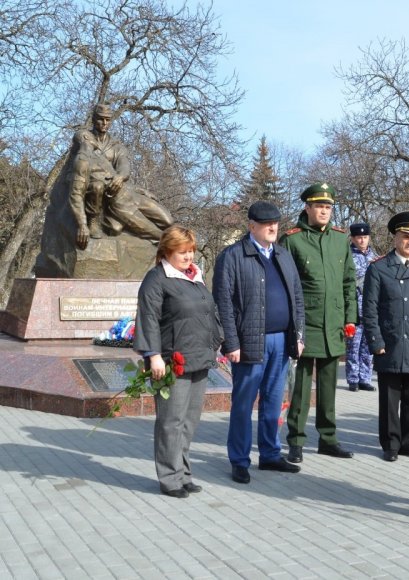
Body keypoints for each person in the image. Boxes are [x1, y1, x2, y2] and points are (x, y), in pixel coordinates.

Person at [213, 201, 306, 484]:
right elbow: (223, 304)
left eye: (275, 222)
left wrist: (299, 334)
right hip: (249, 342)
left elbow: (297, 298)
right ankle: (239, 460)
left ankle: (270, 454)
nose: (273, 227)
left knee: (274, 400)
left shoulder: (283, 255)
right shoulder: (233, 256)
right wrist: (231, 342)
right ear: (251, 225)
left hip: (281, 341)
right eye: (267, 224)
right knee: (243, 403)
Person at [133, 225, 224, 498]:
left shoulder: (195, 277)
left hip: (199, 359)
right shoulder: (156, 279)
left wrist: (216, 343)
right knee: (170, 422)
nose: (188, 257)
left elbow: (209, 313)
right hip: (173, 361)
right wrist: (154, 356)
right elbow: (148, 318)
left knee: (189, 421)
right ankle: (169, 478)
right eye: (182, 252)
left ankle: (183, 474)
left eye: (191, 251)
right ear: (167, 251)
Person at [280, 183, 358, 463]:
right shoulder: (293, 240)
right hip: (306, 324)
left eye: (328, 207)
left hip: (334, 323)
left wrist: (350, 317)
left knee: (329, 385)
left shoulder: (340, 240)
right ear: (307, 208)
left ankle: (328, 438)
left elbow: (349, 282)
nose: (324, 211)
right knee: (300, 385)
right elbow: (285, 287)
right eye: (319, 206)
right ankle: (296, 440)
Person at [362, 211, 409, 462]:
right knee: (391, 400)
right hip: (391, 342)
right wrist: (376, 341)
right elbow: (369, 309)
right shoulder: (379, 268)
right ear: (395, 237)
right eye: (406, 236)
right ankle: (391, 444)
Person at [68, 103, 173, 249]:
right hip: (108, 199)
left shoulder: (116, 146)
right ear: (93, 119)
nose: (105, 123)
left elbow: (125, 166)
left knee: (168, 221)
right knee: (160, 235)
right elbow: (80, 139)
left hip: (126, 191)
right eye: (101, 119)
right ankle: (101, 221)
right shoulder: (84, 144)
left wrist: (120, 177)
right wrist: (82, 224)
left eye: (108, 120)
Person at [346, 222, 379, 392]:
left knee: (368, 345)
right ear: (352, 238)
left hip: (371, 308)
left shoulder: (375, 256)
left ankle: (365, 378)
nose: (362, 240)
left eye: (365, 237)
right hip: (354, 308)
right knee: (354, 345)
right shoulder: (346, 256)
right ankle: (353, 378)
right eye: (359, 237)